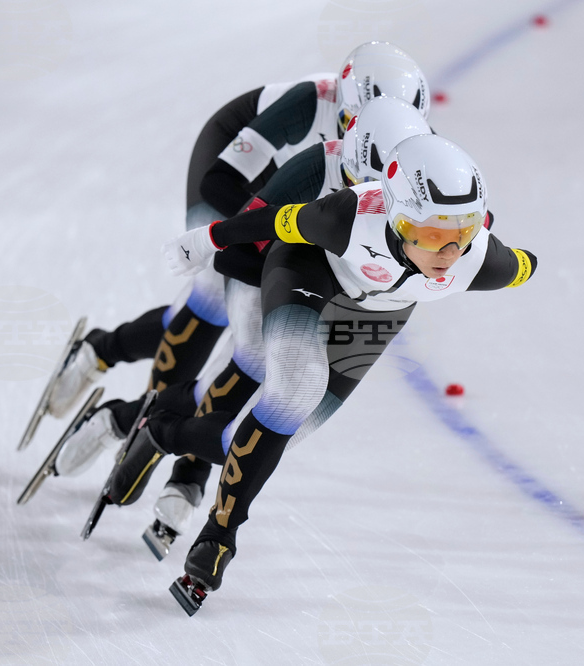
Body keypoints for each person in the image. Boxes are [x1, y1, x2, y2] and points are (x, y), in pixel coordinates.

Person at [109, 133, 536, 610]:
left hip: (376, 313)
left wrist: (468, 231)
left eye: (462, 234)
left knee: (263, 439)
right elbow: (273, 220)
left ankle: (162, 431)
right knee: (297, 388)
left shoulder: (483, 261)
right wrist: (205, 240)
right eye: (432, 235)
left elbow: (527, 265)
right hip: (307, 268)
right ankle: (219, 538)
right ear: (395, 218)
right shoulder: (349, 217)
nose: (448, 254)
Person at [57, 97, 435, 556]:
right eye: (360, 190)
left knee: (270, 428)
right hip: (272, 268)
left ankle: (133, 420)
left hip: (348, 300)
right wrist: (292, 275)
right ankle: (178, 465)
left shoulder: (430, 195)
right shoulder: (319, 163)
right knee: (248, 348)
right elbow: (235, 235)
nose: (368, 209)